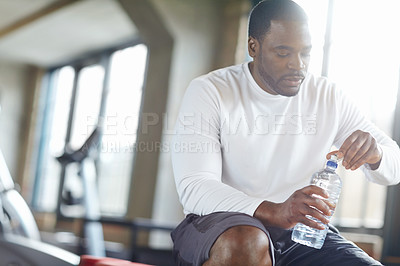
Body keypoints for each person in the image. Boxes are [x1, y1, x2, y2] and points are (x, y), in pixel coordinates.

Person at [170, 0, 400, 265]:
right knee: (247, 242)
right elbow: (195, 187)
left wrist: (376, 154)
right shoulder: (210, 91)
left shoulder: (328, 96)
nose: (297, 65)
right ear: (253, 47)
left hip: (300, 233)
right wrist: (274, 210)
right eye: (283, 53)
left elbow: (395, 166)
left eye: (306, 53)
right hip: (220, 226)